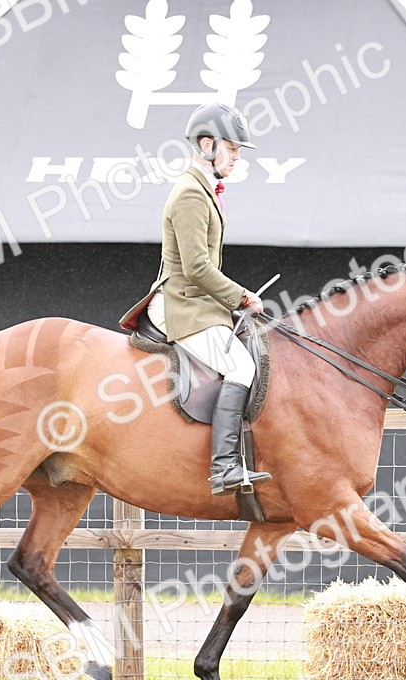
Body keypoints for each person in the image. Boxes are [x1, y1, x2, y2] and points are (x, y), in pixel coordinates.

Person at [119, 102, 273, 496]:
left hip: (199, 302)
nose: (237, 157)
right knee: (241, 368)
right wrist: (241, 296)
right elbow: (196, 268)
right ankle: (224, 467)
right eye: (232, 149)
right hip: (181, 304)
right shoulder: (190, 193)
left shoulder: (204, 190)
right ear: (207, 145)